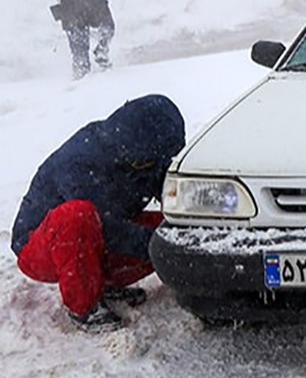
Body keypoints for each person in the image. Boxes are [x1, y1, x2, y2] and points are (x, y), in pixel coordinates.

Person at [11, 95, 186, 332]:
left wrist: (187, 236)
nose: (160, 163)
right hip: (40, 248)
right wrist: (160, 247)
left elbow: (169, 192)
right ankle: (83, 308)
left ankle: (99, 285)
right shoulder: (81, 160)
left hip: (94, 238)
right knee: (78, 216)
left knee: (170, 229)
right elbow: (109, 228)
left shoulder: (145, 154)